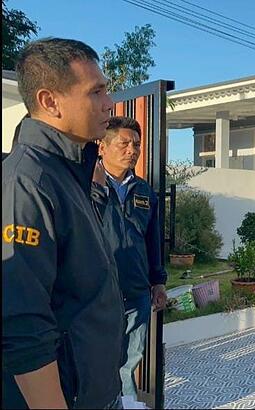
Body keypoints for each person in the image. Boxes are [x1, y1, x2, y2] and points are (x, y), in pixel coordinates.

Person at [2, 38, 124, 409]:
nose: (109, 103)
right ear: (50, 101)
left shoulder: (68, 171)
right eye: (96, 92)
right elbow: (22, 323)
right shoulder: (28, 182)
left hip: (95, 390)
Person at [91, 116, 168, 399]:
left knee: (128, 364)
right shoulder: (87, 186)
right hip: (96, 295)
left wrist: (158, 281)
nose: (132, 150)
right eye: (124, 144)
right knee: (96, 363)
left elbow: (152, 240)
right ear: (102, 146)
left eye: (136, 144)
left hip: (136, 293)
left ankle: (127, 404)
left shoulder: (144, 191)